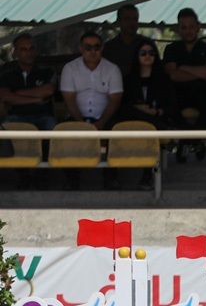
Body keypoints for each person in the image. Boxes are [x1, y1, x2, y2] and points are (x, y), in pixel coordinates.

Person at [60, 30, 124, 190]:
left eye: (96, 47)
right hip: (77, 118)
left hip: (105, 118)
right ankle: (71, 179)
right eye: (88, 47)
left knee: (116, 133)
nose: (92, 51)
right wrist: (81, 124)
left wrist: (101, 122)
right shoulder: (70, 68)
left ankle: (111, 178)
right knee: (62, 134)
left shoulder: (112, 69)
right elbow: (69, 98)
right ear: (81, 49)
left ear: (102, 48)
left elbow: (115, 99)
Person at [163, 8, 206, 163]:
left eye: (191, 26)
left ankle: (186, 142)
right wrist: (199, 72)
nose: (188, 31)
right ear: (179, 28)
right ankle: (195, 141)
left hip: (202, 92)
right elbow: (172, 74)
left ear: (198, 27)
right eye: (184, 27)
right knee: (167, 107)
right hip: (178, 92)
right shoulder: (171, 49)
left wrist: (184, 67)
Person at [0, 33, 57, 189]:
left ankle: (42, 173)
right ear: (15, 52)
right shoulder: (6, 75)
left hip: (43, 116)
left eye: (31, 48)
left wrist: (17, 93)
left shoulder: (46, 72)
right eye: (23, 49)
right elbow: (6, 97)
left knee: (52, 127)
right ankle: (23, 174)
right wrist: (35, 99)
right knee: (7, 126)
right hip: (17, 116)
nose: (28, 52)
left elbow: (48, 91)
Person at [120, 41, 177, 190]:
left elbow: (172, 107)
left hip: (156, 119)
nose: (147, 56)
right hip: (132, 121)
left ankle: (147, 177)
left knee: (150, 131)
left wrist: (156, 112)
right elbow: (121, 106)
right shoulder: (127, 80)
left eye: (151, 53)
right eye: (143, 53)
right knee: (129, 111)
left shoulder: (164, 79)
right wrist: (138, 109)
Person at [102, 4, 150, 78]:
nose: (132, 23)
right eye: (127, 19)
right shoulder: (109, 48)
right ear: (119, 21)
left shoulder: (147, 45)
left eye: (135, 19)